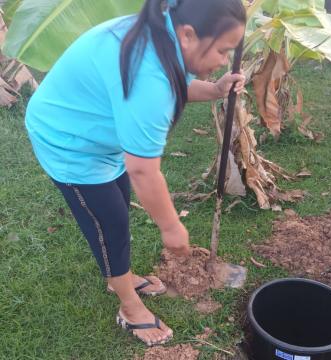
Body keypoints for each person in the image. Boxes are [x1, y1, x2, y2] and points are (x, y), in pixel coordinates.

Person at [25, 0, 246, 347]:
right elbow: (143, 169)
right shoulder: (150, 76)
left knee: (117, 209)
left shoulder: (164, 32)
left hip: (99, 134)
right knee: (108, 223)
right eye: (222, 50)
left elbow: (176, 82)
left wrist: (216, 90)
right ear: (189, 35)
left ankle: (120, 278)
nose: (223, 60)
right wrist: (171, 226)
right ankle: (129, 305)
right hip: (68, 142)